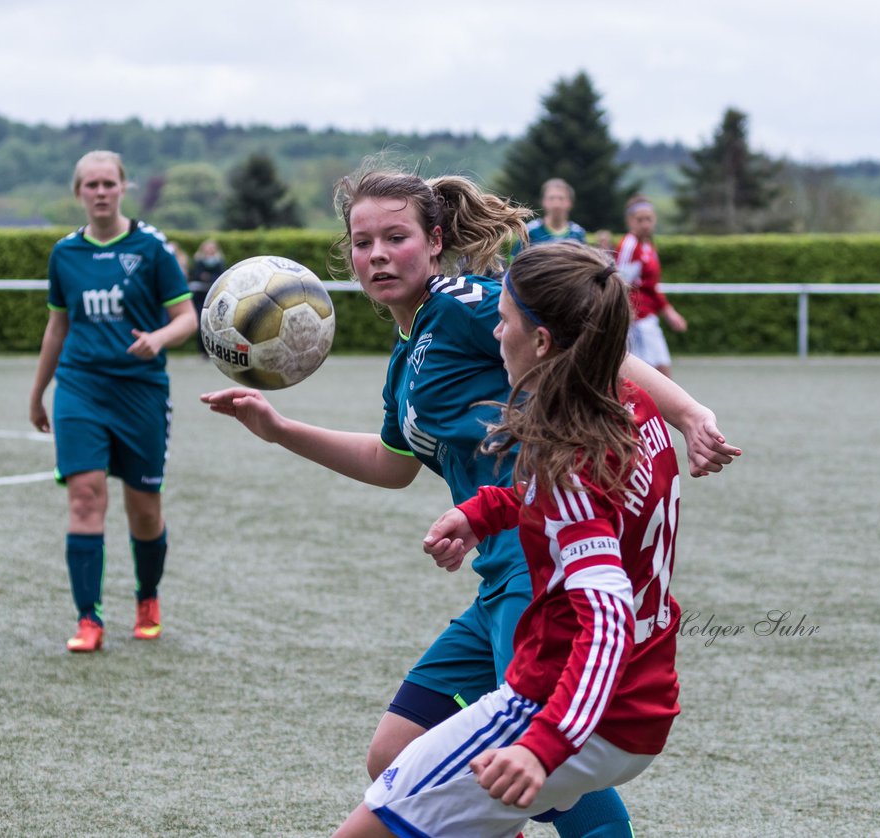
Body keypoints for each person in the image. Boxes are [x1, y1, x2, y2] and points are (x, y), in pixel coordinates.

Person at [202, 168, 737, 838]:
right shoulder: (407, 359)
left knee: (546, 766)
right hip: (499, 577)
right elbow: (392, 465)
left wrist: (687, 413)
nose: (377, 254)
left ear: (433, 241)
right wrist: (280, 430)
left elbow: (583, 344)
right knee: (393, 752)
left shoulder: (464, 304)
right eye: (362, 241)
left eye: (395, 237)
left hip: (544, 573)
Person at [337, 241, 682, 838]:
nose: (495, 333)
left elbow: (605, 621)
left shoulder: (566, 458)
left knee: (367, 828)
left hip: (570, 701)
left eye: (505, 321)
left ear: (542, 342)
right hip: (646, 692)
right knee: (391, 758)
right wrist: (483, 513)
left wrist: (540, 745)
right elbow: (595, 507)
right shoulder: (634, 408)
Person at [29, 150, 197, 652]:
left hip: (141, 392)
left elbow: (187, 315)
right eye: (91, 185)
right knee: (84, 497)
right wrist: (38, 393)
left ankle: (147, 597)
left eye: (108, 183)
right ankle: (88, 619)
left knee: (144, 509)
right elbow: (57, 326)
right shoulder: (65, 254)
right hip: (80, 388)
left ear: (123, 187)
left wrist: (159, 339)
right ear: (78, 192)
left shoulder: (150, 248)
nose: (100, 192)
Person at [615, 196, 687, 378]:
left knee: (662, 373)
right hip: (636, 321)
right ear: (630, 221)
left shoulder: (648, 246)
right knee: (646, 378)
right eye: (640, 220)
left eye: (649, 219)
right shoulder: (629, 245)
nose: (645, 224)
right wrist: (625, 319)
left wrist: (668, 311)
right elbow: (619, 284)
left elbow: (652, 286)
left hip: (648, 319)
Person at [510, 178, 586, 259]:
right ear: (543, 202)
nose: (556, 203)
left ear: (570, 203)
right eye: (551, 198)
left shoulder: (578, 233)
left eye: (561, 198)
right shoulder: (529, 231)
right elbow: (513, 264)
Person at [189, 238, 226, 355]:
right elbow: (196, 275)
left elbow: (220, 276)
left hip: (214, 296)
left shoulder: (219, 262)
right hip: (200, 296)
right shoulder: (198, 261)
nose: (209, 250)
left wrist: (207, 277)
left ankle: (214, 350)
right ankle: (202, 350)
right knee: (201, 322)